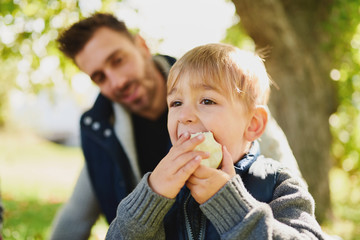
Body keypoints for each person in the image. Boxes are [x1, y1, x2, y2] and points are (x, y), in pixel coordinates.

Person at [50, 13, 301, 239]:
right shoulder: (101, 128)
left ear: (142, 46)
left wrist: (230, 204)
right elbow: (80, 212)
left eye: (118, 60)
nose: (116, 82)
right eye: (100, 77)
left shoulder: (223, 81)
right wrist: (149, 199)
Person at [105, 43, 327, 239]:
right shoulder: (162, 191)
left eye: (207, 100)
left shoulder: (279, 184)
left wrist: (231, 206)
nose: (184, 116)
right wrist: (150, 197)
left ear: (253, 124)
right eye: (176, 103)